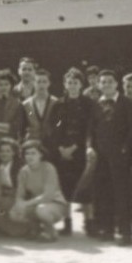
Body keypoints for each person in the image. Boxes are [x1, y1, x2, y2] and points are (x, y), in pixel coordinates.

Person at [87, 69, 132, 245]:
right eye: (103, 82)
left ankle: (126, 232)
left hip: (120, 156)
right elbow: (91, 130)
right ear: (99, 85)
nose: (107, 85)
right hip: (101, 156)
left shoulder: (126, 103)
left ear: (116, 84)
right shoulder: (96, 105)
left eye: (110, 81)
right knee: (104, 193)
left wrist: (125, 149)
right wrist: (90, 148)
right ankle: (107, 229)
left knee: (122, 193)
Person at [49, 67, 93, 235]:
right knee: (64, 187)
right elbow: (53, 128)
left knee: (85, 188)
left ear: (81, 85)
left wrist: (75, 147)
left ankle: (89, 223)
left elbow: (89, 128)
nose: (72, 85)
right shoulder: (59, 104)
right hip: (62, 151)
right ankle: (67, 223)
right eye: (69, 82)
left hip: (80, 150)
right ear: (65, 84)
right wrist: (61, 148)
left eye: (76, 82)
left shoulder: (88, 104)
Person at [10, 139, 68, 242]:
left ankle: (51, 232)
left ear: (40, 154)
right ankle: (36, 228)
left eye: (33, 153)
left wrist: (26, 204)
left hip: (56, 204)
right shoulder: (23, 171)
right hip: (36, 204)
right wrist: (19, 204)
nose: (30, 156)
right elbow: (20, 194)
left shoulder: (48, 168)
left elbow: (48, 196)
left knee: (41, 210)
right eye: (27, 153)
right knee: (14, 213)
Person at [0, 137, 29, 237]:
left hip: (17, 196)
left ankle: (30, 227)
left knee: (13, 213)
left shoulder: (20, 166)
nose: (4, 154)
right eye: (1, 151)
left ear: (14, 153)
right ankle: (7, 229)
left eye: (8, 151)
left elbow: (25, 188)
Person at [22, 68, 59, 150]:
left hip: (51, 144)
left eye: (44, 82)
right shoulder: (26, 104)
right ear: (33, 83)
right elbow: (22, 127)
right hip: (31, 144)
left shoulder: (56, 103)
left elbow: (59, 124)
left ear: (49, 83)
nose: (41, 85)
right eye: (38, 82)